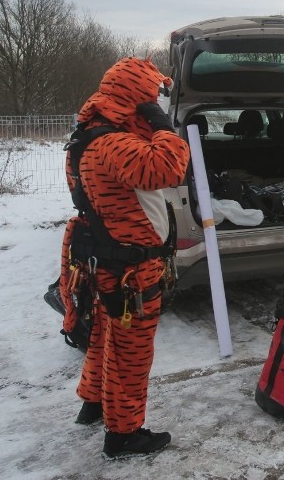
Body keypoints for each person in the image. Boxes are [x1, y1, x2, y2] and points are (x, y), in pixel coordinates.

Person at [59, 57, 190, 459]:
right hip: (132, 269)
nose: (158, 104)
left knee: (104, 337)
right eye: (153, 97)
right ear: (137, 98)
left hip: (108, 262)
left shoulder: (87, 137)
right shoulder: (113, 144)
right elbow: (169, 167)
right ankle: (125, 434)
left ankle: (94, 403)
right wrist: (164, 126)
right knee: (131, 353)